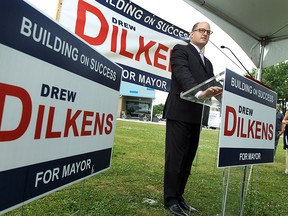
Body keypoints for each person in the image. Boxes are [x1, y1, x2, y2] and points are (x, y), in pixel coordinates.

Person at [163, 22, 222, 216]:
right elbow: (182, 74)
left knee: (188, 160)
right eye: (201, 30)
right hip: (179, 112)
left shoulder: (209, 63)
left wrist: (223, 93)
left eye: (208, 32)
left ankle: (179, 196)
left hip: (196, 116)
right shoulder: (181, 50)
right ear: (192, 34)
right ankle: (170, 200)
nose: (205, 34)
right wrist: (199, 93)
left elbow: (213, 84)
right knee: (176, 159)